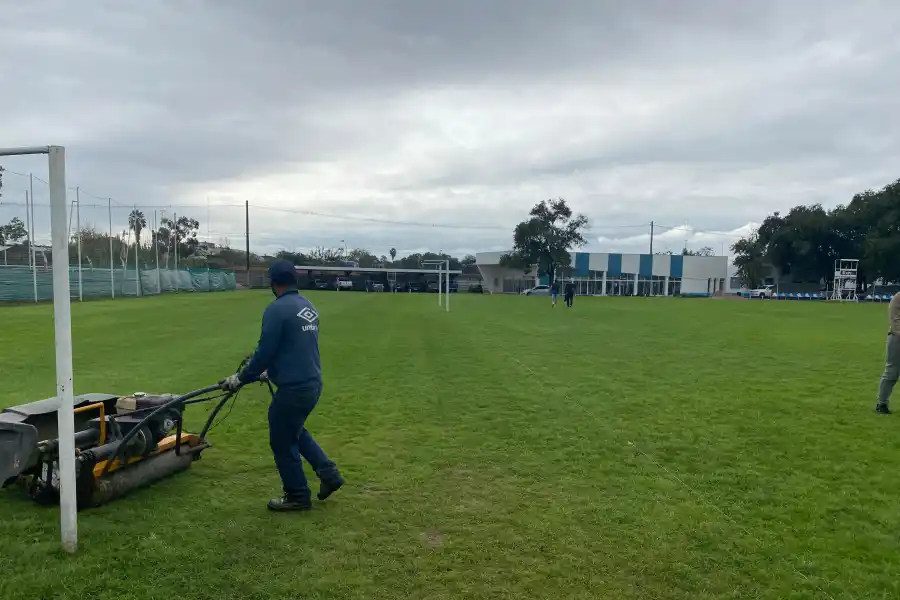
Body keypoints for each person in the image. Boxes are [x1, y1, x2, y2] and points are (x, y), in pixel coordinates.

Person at [222, 259, 344, 510]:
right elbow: (294, 347)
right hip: (312, 383)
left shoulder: (276, 309)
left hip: (294, 388)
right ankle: (329, 474)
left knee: (281, 438)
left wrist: (240, 378)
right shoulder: (307, 306)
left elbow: (264, 352)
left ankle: (297, 495)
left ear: (273, 282)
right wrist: (271, 371)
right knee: (293, 430)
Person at [875, 291, 900, 414]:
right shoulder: (898, 298)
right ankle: (882, 403)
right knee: (891, 372)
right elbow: (895, 321)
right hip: (897, 339)